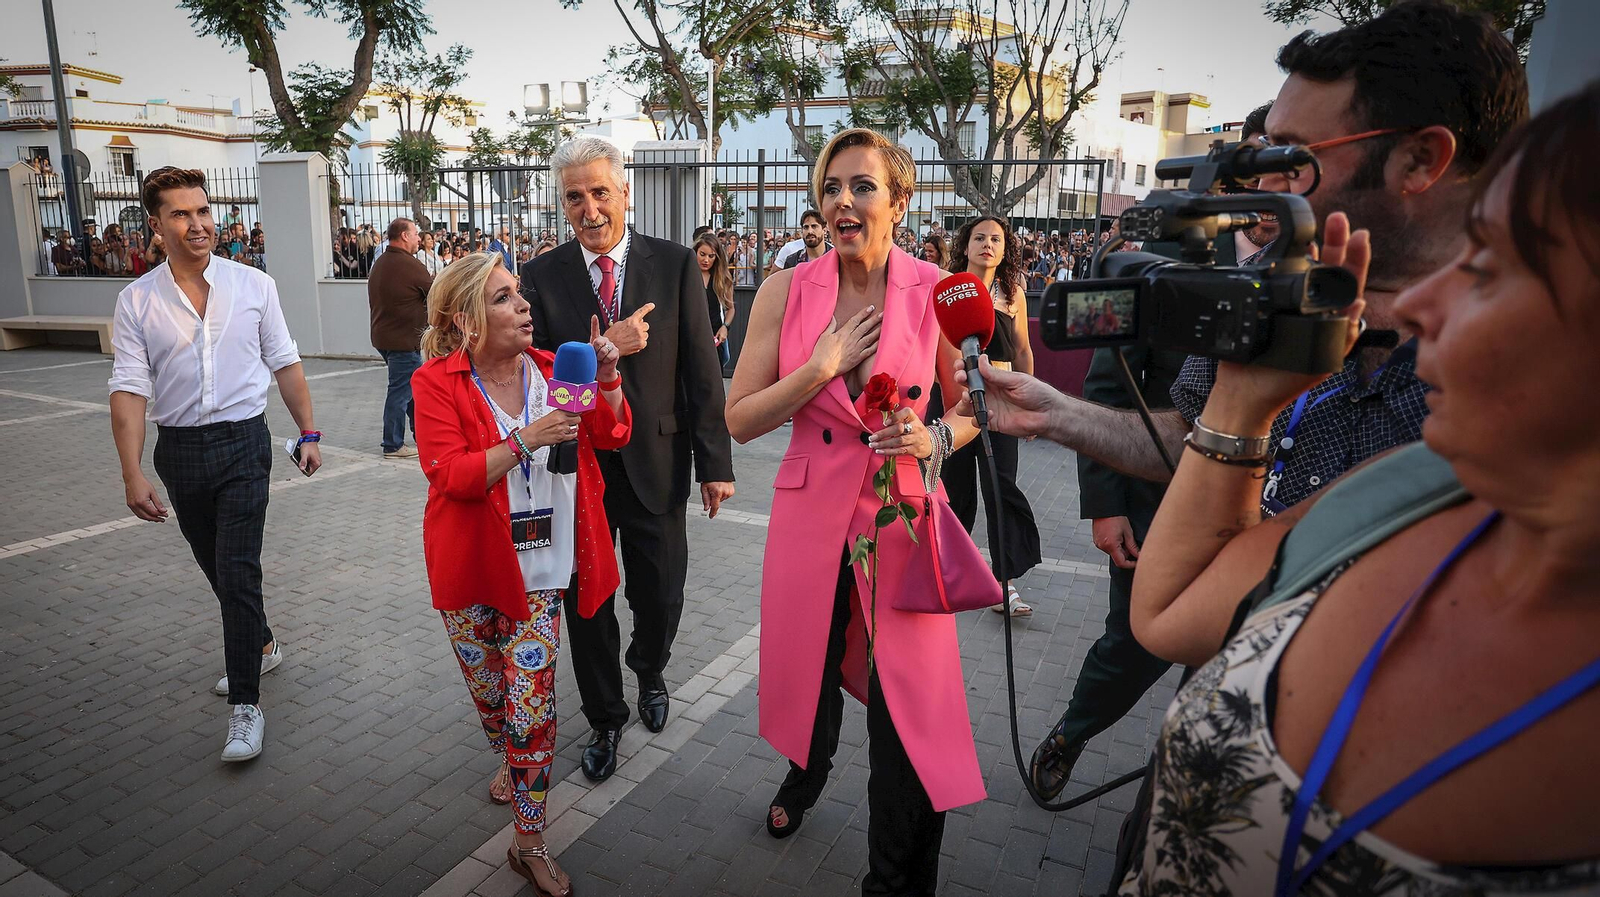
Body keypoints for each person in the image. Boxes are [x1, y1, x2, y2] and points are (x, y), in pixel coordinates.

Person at [1022, 0, 1528, 801]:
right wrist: (1055, 413)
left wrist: (1237, 417)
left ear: (1421, 160)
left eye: (1295, 159)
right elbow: (1186, 426)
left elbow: (1176, 608)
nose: (1263, 185)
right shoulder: (1273, 287)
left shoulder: (1508, 406)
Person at [1106, 78, 1600, 897]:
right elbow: (1166, 609)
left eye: (1487, 269)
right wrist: (1243, 397)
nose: (1427, 304)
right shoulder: (1404, 495)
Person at [725, 128, 987, 894]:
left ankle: (895, 878)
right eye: (831, 186)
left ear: (899, 201)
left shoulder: (939, 287)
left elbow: (979, 403)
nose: (843, 200)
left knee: (907, 718)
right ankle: (802, 779)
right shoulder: (786, 289)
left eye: (862, 186)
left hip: (901, 519)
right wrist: (818, 369)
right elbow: (740, 418)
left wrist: (934, 433)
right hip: (811, 524)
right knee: (812, 678)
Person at [412, 252, 631, 897]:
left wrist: (610, 377)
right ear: (466, 320)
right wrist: (528, 438)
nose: (524, 305)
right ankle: (511, 761)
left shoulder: (551, 370)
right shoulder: (436, 382)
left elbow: (610, 433)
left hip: (541, 572)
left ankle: (529, 840)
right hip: (472, 567)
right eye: (505, 297)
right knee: (495, 704)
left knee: (531, 708)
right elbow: (448, 474)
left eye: (519, 294)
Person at [519, 137, 735, 783]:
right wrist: (607, 348)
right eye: (574, 197)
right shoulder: (542, 274)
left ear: (625, 192)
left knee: (661, 593)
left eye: (599, 192)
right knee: (586, 603)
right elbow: (546, 387)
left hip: (659, 462)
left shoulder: (672, 264)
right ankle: (605, 716)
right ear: (563, 204)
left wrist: (715, 464)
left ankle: (650, 670)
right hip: (577, 468)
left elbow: (702, 370)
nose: (589, 208)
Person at [108, 166, 321, 762]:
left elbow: (285, 361)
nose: (198, 224)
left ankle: (246, 708)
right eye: (181, 214)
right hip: (178, 451)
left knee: (237, 571)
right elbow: (128, 390)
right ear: (156, 224)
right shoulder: (137, 301)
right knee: (216, 569)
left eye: (203, 211)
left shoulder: (254, 285)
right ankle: (262, 644)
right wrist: (132, 473)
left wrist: (309, 431)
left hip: (245, 443)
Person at [938, 215, 1040, 616]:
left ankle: (1005, 584)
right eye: (979, 237)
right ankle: (950, 573)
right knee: (955, 490)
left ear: (1005, 247)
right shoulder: (947, 290)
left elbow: (1024, 351)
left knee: (1001, 488)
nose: (987, 244)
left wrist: (1029, 400)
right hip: (953, 402)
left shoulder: (1013, 293)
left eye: (996, 239)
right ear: (965, 245)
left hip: (999, 402)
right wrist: (952, 403)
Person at [368, 217, 433, 461]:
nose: (419, 238)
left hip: (386, 338)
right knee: (401, 392)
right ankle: (393, 444)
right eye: (415, 234)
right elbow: (435, 291)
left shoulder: (383, 261)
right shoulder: (407, 264)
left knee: (412, 391)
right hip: (403, 341)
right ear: (404, 236)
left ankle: (423, 436)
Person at [694, 232, 735, 368]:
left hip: (715, 336)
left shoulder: (722, 279)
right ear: (695, 252)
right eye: (702, 254)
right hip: (692, 337)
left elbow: (731, 308)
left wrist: (725, 327)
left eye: (711, 256)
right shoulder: (687, 276)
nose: (706, 260)